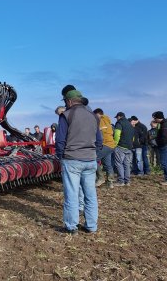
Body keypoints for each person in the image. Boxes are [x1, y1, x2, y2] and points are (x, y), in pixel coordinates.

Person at [56, 89, 102, 234]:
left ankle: (71, 226)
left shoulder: (66, 115)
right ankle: (91, 226)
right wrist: (93, 154)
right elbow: (99, 141)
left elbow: (60, 140)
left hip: (72, 160)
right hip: (90, 160)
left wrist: (61, 156)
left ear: (69, 101)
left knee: (72, 194)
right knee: (90, 194)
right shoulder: (94, 117)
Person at [152, 111, 167, 185]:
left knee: (165, 162)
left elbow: (165, 137)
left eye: (154, 118)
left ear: (158, 118)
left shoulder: (165, 125)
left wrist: (159, 143)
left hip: (166, 146)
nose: (154, 120)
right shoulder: (165, 124)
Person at [93, 109, 116, 188]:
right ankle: (110, 182)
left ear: (98, 114)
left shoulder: (101, 121)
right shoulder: (107, 121)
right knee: (107, 164)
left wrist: (97, 145)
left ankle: (100, 178)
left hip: (105, 144)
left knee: (93, 159)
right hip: (111, 145)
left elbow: (101, 136)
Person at [112, 112, 135, 186]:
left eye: (117, 117)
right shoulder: (130, 125)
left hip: (120, 146)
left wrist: (114, 144)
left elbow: (117, 134)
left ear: (119, 117)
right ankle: (127, 181)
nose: (116, 119)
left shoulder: (119, 123)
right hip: (129, 147)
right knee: (127, 164)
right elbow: (133, 137)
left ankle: (120, 181)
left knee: (119, 164)